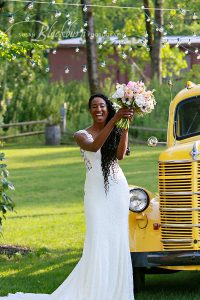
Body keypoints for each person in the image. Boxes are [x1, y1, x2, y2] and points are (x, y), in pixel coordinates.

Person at [0, 93, 134, 300]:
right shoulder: (81, 134)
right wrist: (115, 120)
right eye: (94, 106)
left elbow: (119, 155)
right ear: (90, 110)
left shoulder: (115, 128)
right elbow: (94, 146)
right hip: (95, 194)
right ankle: (94, 292)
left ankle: (115, 293)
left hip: (118, 190)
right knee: (98, 239)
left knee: (116, 240)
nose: (98, 110)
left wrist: (124, 127)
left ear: (108, 108)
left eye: (102, 106)